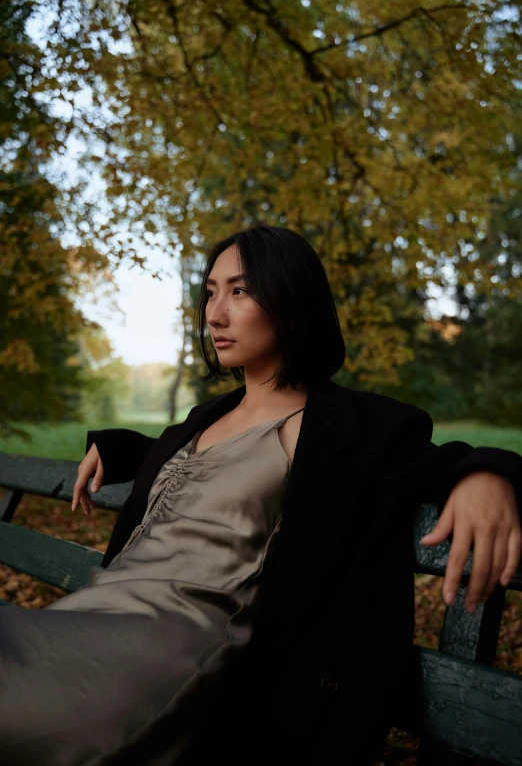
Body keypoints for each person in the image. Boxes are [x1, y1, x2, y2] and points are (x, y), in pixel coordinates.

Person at [0, 225, 520, 766]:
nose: (215, 313)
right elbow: (184, 460)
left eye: (241, 291)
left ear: (291, 299)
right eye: (211, 292)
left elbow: (438, 459)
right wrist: (117, 448)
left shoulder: (348, 426)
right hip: (85, 616)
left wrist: (489, 475)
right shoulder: (207, 418)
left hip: (161, 659)